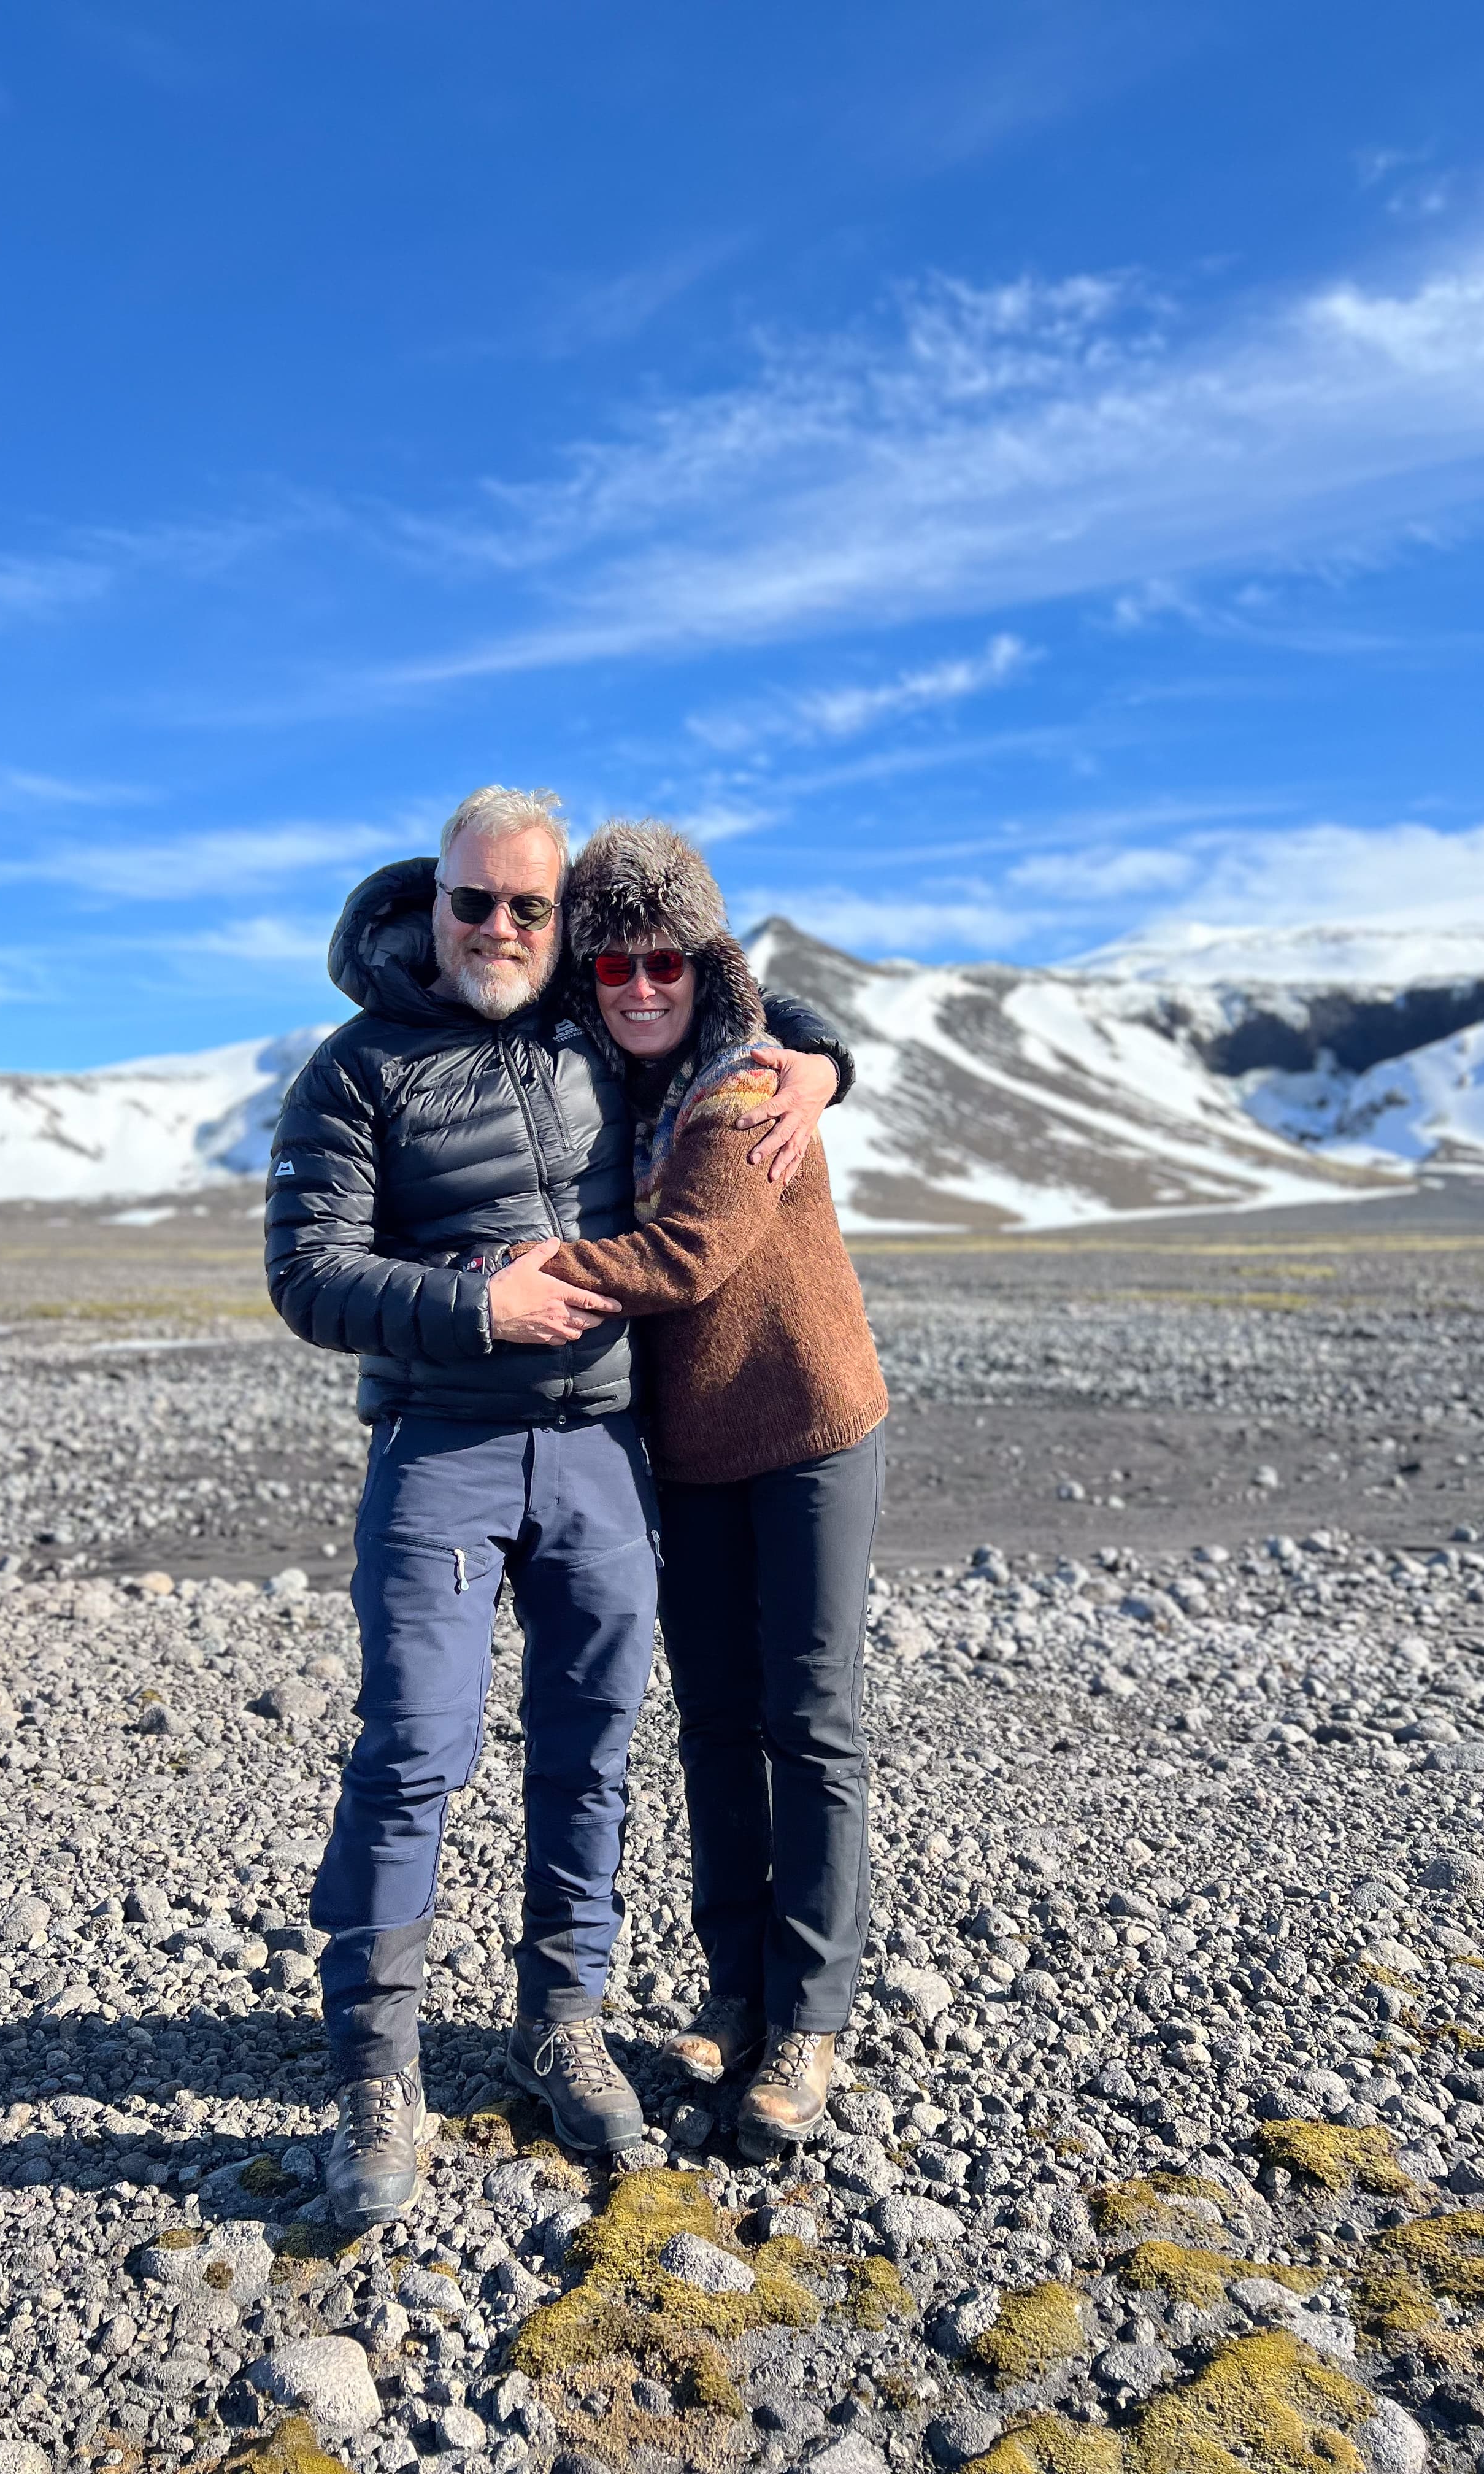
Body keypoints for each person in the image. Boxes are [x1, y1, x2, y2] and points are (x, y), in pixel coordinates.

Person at [264, 785, 852, 2228]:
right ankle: (374, 2066)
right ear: (432, 898)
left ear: (562, 924)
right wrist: (479, 1304)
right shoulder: (353, 1073)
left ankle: (562, 2019)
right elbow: (307, 1274)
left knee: (591, 1753)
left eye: (533, 910)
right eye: (478, 902)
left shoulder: (593, 1033)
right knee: (413, 1750)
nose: (502, 930)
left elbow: (736, 1016)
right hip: (442, 1448)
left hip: (600, 1453)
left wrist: (822, 1065)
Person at [512, 820, 888, 2159]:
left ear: (705, 959)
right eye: (611, 966)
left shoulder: (744, 1086)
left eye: (665, 960)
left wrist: (512, 1272)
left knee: (810, 1719)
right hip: (694, 1449)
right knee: (717, 1726)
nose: (639, 985)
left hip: (808, 1431)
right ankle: (736, 1994)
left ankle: (812, 2020)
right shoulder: (605, 1071)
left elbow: (681, 1257)